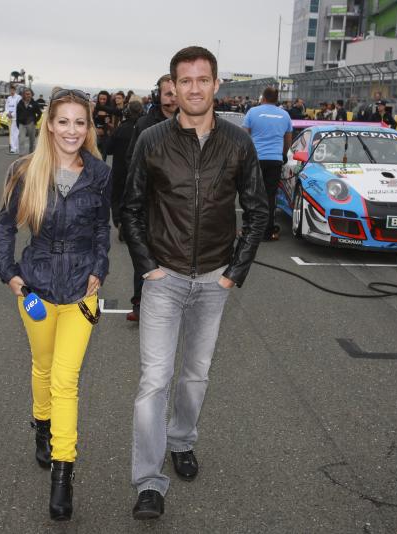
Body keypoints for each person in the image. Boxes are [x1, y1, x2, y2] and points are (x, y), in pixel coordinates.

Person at [121, 46, 268, 520]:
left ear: (217, 84)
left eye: (203, 79)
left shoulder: (238, 142)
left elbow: (259, 211)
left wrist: (233, 273)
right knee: (154, 381)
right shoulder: (151, 140)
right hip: (162, 279)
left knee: (196, 374)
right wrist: (148, 267)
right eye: (185, 81)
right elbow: (130, 208)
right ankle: (148, 482)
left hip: (213, 279)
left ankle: (182, 440)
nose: (195, 88)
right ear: (173, 87)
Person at [0, 88, 111, 521]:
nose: (72, 130)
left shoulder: (99, 173)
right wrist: (9, 272)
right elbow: (6, 226)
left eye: (80, 122)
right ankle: (41, 425)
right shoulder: (24, 170)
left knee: (65, 380)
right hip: (36, 287)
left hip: (81, 290)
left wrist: (100, 266)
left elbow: (103, 228)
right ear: (49, 125)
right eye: (64, 121)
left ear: (89, 127)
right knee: (43, 367)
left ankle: (63, 474)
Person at [122, 73, 178, 322]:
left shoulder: (192, 122)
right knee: (144, 254)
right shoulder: (144, 124)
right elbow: (130, 161)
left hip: (179, 206)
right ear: (158, 95)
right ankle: (140, 302)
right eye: (168, 94)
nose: (172, 99)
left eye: (175, 93)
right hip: (148, 203)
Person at [243, 86, 293, 241]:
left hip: (255, 159)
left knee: (252, 194)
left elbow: (244, 136)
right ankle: (267, 231)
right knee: (270, 196)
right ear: (276, 99)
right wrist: (283, 154)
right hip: (275, 160)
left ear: (263, 98)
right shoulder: (285, 115)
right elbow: (288, 139)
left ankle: (249, 229)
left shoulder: (252, 112)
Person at [107, 99, 143, 233]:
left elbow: (109, 149)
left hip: (119, 168)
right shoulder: (145, 129)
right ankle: (132, 224)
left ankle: (119, 221)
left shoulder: (120, 129)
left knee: (116, 196)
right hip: (137, 170)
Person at [16, 88, 42, 155]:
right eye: (26, 94)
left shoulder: (34, 103)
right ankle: (21, 155)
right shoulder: (20, 103)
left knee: (32, 140)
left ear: (32, 94)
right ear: (24, 95)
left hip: (31, 124)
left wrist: (35, 120)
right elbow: (17, 114)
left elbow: (39, 113)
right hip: (22, 124)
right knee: (21, 140)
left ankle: (31, 154)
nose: (28, 95)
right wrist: (18, 124)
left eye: (29, 94)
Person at [92, 91, 113, 159]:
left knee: (102, 158)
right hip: (95, 136)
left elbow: (114, 126)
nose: (102, 101)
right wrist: (95, 129)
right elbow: (91, 122)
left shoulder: (111, 110)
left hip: (105, 137)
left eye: (104, 99)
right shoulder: (95, 109)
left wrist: (108, 125)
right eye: (100, 99)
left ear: (107, 100)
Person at [5, 85, 22, 154]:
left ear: (15, 90)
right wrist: (7, 113)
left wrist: (12, 114)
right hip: (10, 118)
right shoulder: (8, 98)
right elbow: (6, 107)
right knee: (11, 133)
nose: (11, 91)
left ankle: (16, 148)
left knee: (16, 133)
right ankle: (13, 148)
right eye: (10, 90)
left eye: (13, 90)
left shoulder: (18, 97)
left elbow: (18, 108)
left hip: (16, 118)